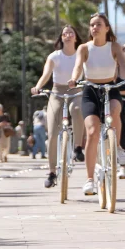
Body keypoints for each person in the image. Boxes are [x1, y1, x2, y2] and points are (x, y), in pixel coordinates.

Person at [68, 13, 125, 196]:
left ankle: (118, 148)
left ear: (107, 28)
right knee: (92, 132)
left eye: (98, 24)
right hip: (90, 90)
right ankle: (90, 180)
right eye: (92, 25)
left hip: (110, 88)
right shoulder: (84, 48)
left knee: (115, 110)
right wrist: (74, 79)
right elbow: (78, 66)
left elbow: (123, 65)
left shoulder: (114, 46)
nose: (94, 28)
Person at [32, 25, 86, 188]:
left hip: (76, 91)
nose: (68, 35)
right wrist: (38, 87)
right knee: (52, 134)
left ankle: (77, 147)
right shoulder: (54, 56)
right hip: (56, 92)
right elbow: (46, 74)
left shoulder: (81, 54)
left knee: (77, 110)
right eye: (65, 33)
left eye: (71, 33)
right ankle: (51, 172)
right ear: (61, 38)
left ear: (75, 38)